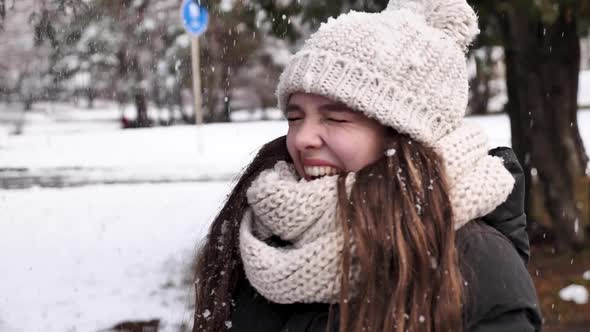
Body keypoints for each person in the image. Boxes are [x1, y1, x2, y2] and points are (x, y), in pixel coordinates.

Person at [193, 0, 543, 331]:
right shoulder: (262, 237)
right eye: (295, 117)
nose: (302, 138)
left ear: (405, 136)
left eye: (336, 118)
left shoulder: (479, 268)